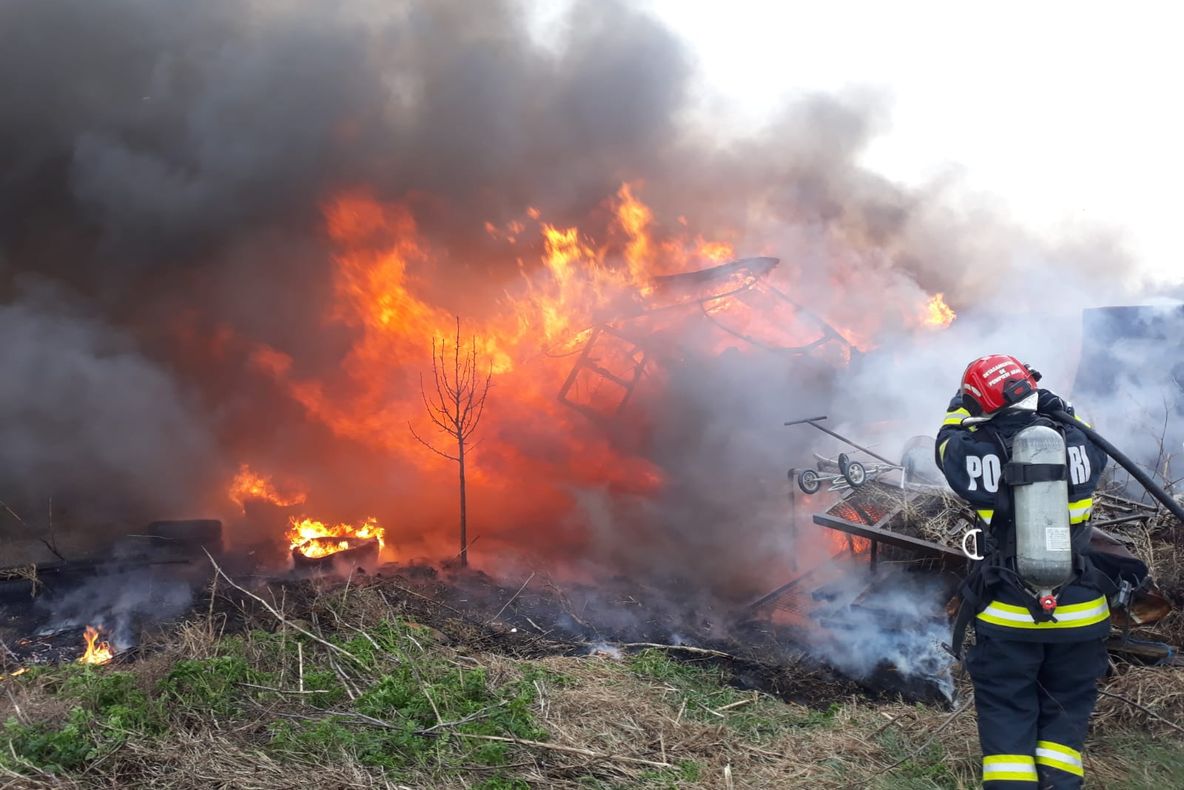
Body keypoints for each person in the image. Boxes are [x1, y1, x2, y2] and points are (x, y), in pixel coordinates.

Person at [935, 355, 1113, 789]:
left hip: (1010, 614)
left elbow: (944, 446)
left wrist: (958, 411)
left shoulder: (974, 450)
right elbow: (1085, 428)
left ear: (978, 401)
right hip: (1082, 612)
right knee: (1065, 716)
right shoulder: (1081, 442)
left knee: (1007, 712)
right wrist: (1055, 405)